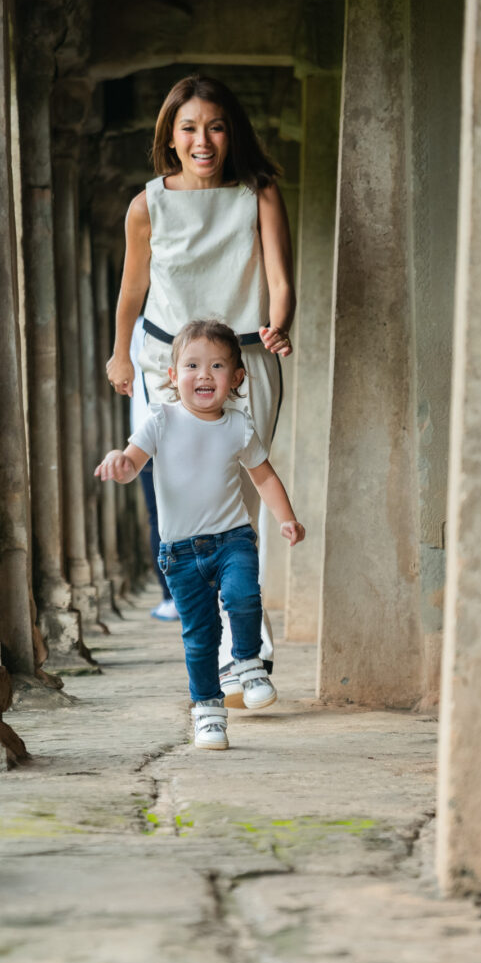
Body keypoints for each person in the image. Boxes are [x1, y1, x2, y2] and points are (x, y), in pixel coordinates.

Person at [104, 74, 296, 700]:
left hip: (243, 358)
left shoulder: (258, 192)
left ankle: (248, 649)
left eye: (214, 125)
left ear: (230, 130)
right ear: (170, 136)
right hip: (166, 362)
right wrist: (119, 356)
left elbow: (280, 277)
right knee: (182, 495)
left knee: (244, 493)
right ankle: (219, 641)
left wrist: (279, 324)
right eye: (188, 127)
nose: (202, 139)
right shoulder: (147, 204)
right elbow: (132, 292)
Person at [95, 320, 305, 751]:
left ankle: (247, 662)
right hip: (180, 553)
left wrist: (286, 518)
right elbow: (134, 462)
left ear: (237, 378)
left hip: (232, 539)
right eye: (191, 365)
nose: (204, 375)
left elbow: (264, 479)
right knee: (200, 635)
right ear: (173, 377)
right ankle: (208, 713)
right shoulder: (161, 419)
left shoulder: (239, 426)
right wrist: (119, 461)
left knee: (245, 596)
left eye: (216, 366)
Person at [129, 317, 178, 621]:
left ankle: (172, 597)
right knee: (165, 519)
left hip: (148, 429)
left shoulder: (141, 324)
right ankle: (175, 595)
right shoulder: (140, 325)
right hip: (152, 433)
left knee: (160, 518)